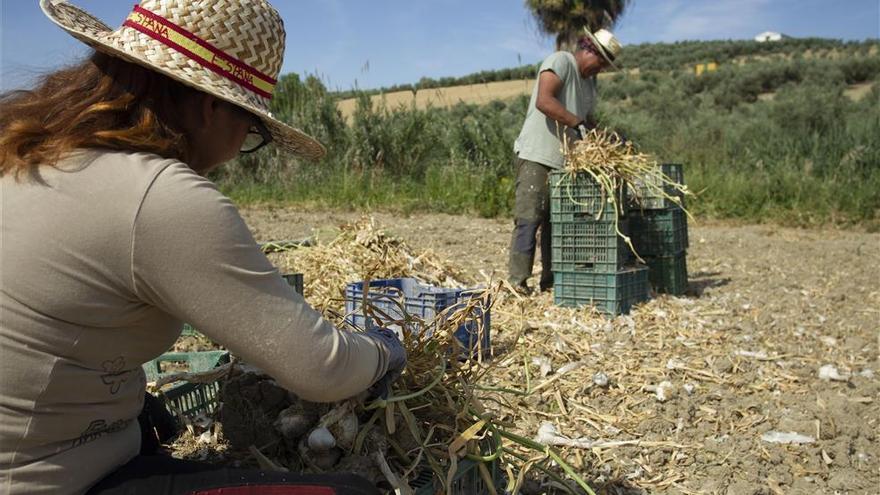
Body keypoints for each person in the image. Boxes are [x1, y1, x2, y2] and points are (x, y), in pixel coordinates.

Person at [0, 1, 406, 494]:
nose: (239, 149)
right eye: (251, 129)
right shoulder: (157, 196)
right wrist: (385, 351)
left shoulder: (32, 154)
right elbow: (321, 368)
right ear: (213, 107)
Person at [507, 28, 623, 295]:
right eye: (601, 63)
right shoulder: (560, 61)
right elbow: (544, 101)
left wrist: (600, 136)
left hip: (564, 162)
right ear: (589, 50)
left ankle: (550, 281)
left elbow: (584, 118)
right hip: (537, 154)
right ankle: (517, 282)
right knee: (529, 218)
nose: (601, 70)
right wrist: (577, 123)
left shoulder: (590, 83)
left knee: (555, 224)